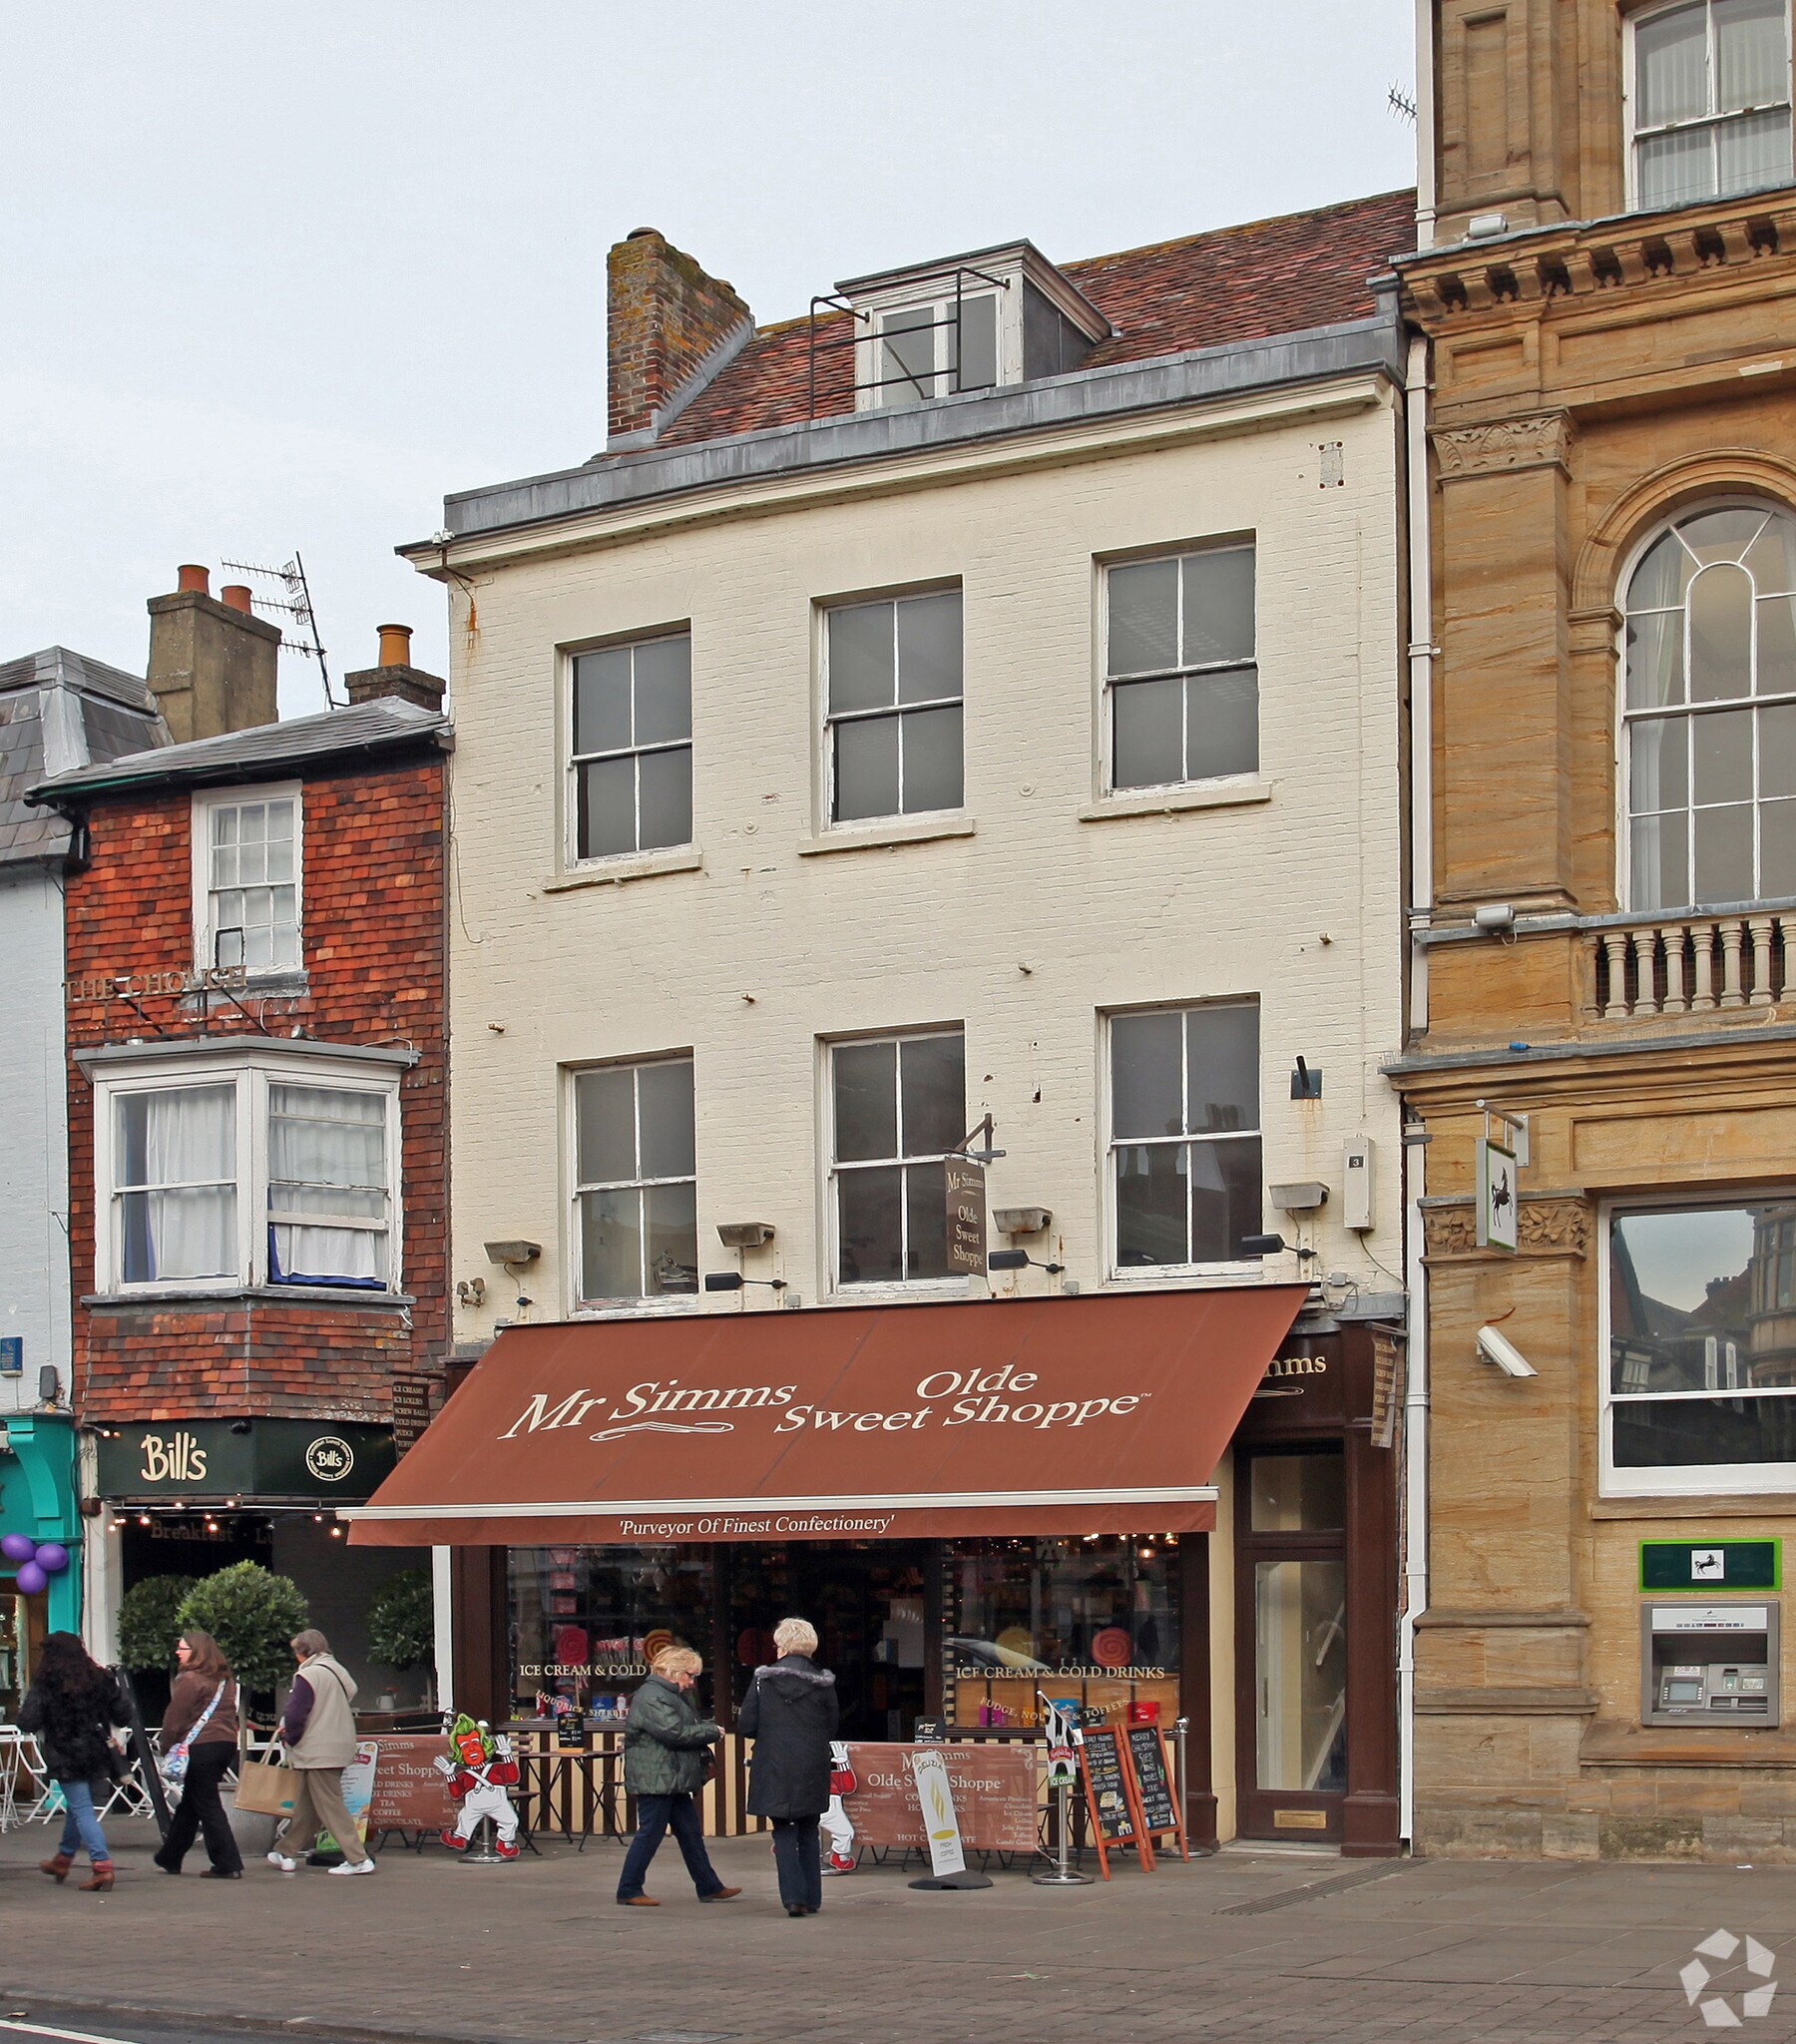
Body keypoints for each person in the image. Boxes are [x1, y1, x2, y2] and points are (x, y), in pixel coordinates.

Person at [616, 1645, 739, 1907]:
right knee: (651, 1832)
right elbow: (673, 1733)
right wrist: (710, 1732)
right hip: (657, 1777)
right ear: (673, 1671)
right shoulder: (652, 1696)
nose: (691, 1682)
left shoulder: (667, 1694)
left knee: (689, 1832)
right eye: (689, 1675)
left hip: (670, 1776)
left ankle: (709, 1886)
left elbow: (678, 1729)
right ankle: (628, 1888)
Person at [738, 1617, 839, 1917]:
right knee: (809, 1827)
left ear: (781, 1645)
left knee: (783, 1829)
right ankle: (812, 1898)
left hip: (774, 1762)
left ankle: (793, 1898)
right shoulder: (823, 1682)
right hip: (811, 1762)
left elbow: (746, 1725)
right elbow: (831, 1726)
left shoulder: (763, 1680)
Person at [18, 1631, 131, 1892]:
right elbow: (123, 1714)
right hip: (97, 1750)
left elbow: (28, 1721)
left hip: (65, 1752)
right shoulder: (101, 1677)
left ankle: (102, 1866)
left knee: (82, 1810)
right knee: (79, 1807)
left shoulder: (48, 1681)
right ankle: (63, 1858)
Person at [267, 1628, 373, 1876]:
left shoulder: (308, 1675)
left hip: (316, 1750)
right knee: (308, 1807)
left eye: (295, 1651)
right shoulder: (337, 1671)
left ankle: (358, 1859)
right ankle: (286, 1851)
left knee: (330, 1806)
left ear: (303, 1652)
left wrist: (290, 1738)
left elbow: (295, 1714)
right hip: (338, 1745)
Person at [153, 1629, 243, 1878]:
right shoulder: (225, 1679)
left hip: (200, 1745)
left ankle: (228, 1863)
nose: (177, 1652)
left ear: (196, 1652)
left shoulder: (191, 1679)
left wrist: (166, 1745)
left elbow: (175, 1717)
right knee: (191, 1804)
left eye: (182, 1648)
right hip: (224, 1743)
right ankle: (170, 1856)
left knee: (207, 1804)